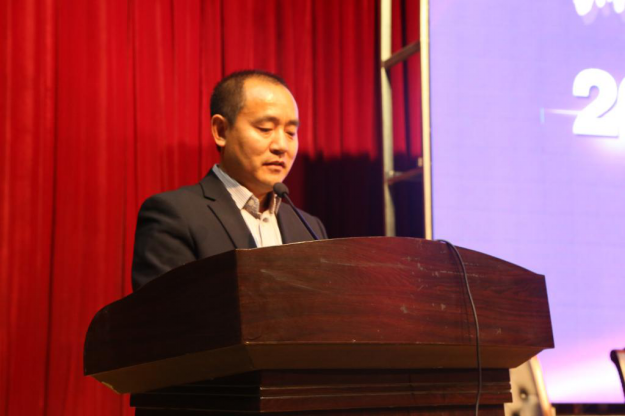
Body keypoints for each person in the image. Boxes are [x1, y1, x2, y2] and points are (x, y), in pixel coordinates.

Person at [131, 70, 327, 291]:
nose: (281, 146)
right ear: (221, 131)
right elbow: (164, 310)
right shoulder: (174, 215)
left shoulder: (309, 228)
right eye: (265, 129)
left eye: (291, 132)